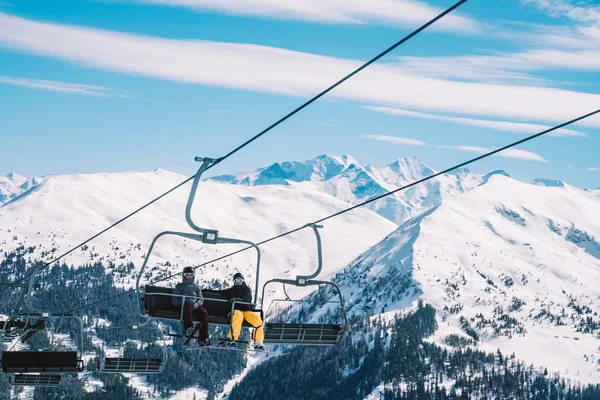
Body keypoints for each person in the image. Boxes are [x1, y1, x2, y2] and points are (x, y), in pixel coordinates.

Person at [216, 272, 264, 350]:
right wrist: (206, 291)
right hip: (234, 311)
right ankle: (233, 338)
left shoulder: (247, 290)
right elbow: (220, 293)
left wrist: (235, 299)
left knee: (257, 319)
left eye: (239, 280)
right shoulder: (231, 290)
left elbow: (246, 299)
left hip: (246, 311)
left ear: (243, 281)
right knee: (238, 315)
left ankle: (258, 342)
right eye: (235, 281)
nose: (237, 283)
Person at [172, 266, 210, 346]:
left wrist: (197, 304)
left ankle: (203, 337)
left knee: (203, 312)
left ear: (193, 276)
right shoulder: (179, 286)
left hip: (194, 306)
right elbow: (174, 300)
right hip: (183, 305)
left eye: (191, 275)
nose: (189, 277)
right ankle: (188, 328)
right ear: (184, 275)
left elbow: (201, 299)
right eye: (187, 275)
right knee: (188, 304)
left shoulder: (196, 287)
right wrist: (183, 302)